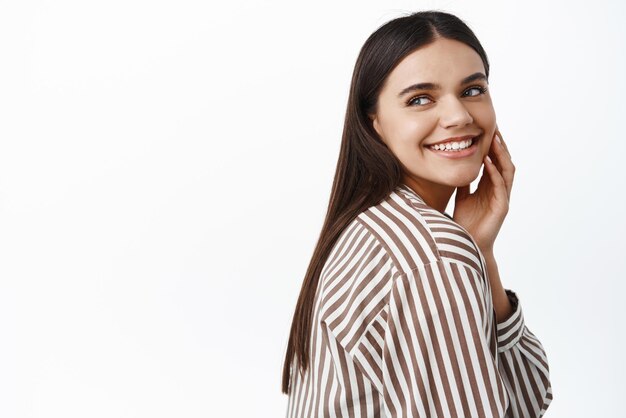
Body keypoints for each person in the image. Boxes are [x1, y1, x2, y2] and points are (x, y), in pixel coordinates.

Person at [281, 10, 552, 418]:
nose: (459, 116)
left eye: (473, 90)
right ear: (373, 123)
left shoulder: (373, 224)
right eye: (420, 99)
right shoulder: (431, 257)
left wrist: (481, 252)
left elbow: (527, 400)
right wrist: (457, 254)